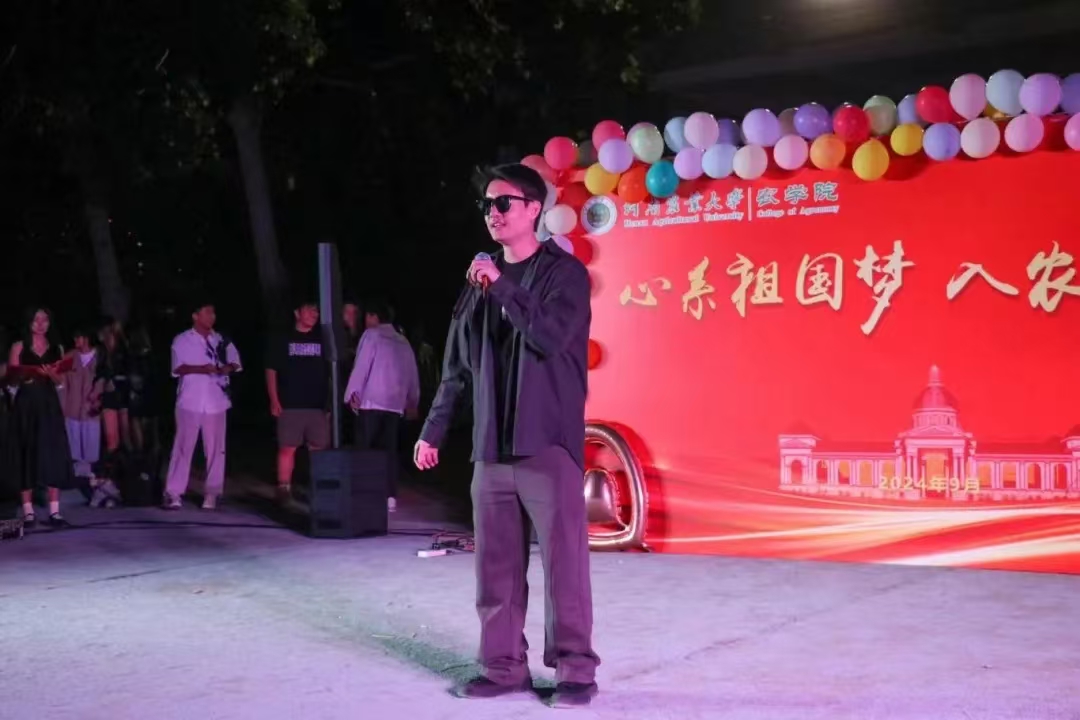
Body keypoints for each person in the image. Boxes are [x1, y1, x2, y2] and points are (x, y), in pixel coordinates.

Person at [413, 164, 599, 707]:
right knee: (494, 567)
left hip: (547, 444)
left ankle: (575, 671)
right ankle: (502, 667)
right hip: (491, 448)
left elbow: (549, 336)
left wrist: (501, 285)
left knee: (564, 566)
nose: (493, 213)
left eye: (504, 203)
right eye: (487, 205)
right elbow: (456, 366)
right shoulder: (478, 283)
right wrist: (433, 430)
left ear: (534, 209)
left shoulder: (565, 275)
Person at [162, 301, 241, 510]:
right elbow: (177, 368)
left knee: (216, 450)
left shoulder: (221, 339)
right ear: (195, 316)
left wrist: (227, 368)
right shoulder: (182, 340)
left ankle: (212, 493)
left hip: (216, 400)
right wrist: (201, 369)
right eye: (207, 312)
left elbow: (236, 362)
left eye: (213, 313)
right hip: (190, 400)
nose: (212, 316)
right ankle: (174, 492)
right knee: (183, 447)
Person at [344, 300, 419, 513]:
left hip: (371, 400)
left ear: (373, 316)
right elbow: (411, 372)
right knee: (389, 451)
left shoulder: (372, 335)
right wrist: (412, 400)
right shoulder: (402, 340)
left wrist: (352, 393)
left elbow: (362, 366)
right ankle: (389, 496)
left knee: (365, 449)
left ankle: (363, 493)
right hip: (394, 403)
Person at [7, 308, 77, 528]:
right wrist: (22, 377)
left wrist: (52, 374)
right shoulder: (19, 346)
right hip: (26, 405)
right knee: (26, 452)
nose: (40, 324)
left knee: (53, 453)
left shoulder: (57, 348)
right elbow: (10, 381)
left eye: (44, 319)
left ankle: (55, 512)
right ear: (29, 322)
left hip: (49, 404)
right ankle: (28, 513)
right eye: (36, 319)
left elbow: (60, 382)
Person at [266, 299, 330, 503]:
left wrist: (329, 404)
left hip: (316, 405)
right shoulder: (283, 339)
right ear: (297, 313)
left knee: (319, 449)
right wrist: (274, 399)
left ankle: (319, 489)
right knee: (287, 447)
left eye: (316, 311)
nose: (314, 314)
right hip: (290, 403)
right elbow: (271, 370)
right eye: (309, 310)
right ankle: (284, 488)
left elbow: (330, 372)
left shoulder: (322, 339)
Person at [60, 328, 103, 480]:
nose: (75, 340)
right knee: (73, 448)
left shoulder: (100, 357)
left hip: (92, 410)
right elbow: (62, 385)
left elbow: (106, 381)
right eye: (75, 337)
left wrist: (99, 398)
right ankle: (77, 477)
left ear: (87, 338)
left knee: (91, 445)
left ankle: (91, 477)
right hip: (72, 409)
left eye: (78, 337)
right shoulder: (69, 357)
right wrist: (62, 408)